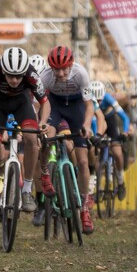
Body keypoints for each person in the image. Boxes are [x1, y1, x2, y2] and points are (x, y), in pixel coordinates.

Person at [0, 46, 45, 226]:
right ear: (3, 70)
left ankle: (27, 191)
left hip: (22, 104)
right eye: (10, 76)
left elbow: (45, 102)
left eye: (19, 76)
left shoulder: (31, 73)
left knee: (31, 139)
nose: (15, 80)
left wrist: (43, 121)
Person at [39, 45, 95, 234]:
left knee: (83, 161)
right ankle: (45, 170)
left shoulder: (81, 74)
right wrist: (42, 123)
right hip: (55, 106)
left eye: (64, 69)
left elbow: (89, 106)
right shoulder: (45, 77)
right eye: (57, 69)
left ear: (71, 66)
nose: (61, 73)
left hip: (76, 107)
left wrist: (87, 126)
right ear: (51, 68)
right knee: (48, 136)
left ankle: (84, 206)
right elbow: (38, 103)